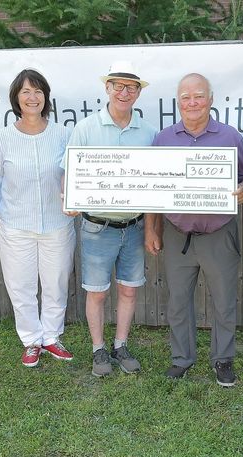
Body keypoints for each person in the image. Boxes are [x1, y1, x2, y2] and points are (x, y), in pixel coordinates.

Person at [144, 73, 243, 387]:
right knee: (178, 302)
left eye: (199, 96)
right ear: (178, 102)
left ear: (211, 99)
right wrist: (151, 229)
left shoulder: (229, 136)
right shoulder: (164, 139)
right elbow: (154, 188)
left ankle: (223, 360)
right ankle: (182, 359)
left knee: (223, 302)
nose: (193, 103)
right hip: (177, 233)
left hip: (219, 234)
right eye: (186, 97)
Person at [65, 61, 157, 377]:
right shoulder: (86, 128)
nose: (123, 91)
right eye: (117, 85)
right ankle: (98, 349)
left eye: (130, 87)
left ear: (138, 93)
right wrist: (70, 198)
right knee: (98, 292)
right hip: (96, 227)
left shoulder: (147, 132)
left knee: (129, 290)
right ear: (107, 88)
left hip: (133, 227)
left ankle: (120, 345)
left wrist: (151, 229)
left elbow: (155, 180)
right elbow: (71, 174)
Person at [0, 69, 75, 368]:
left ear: (45, 96)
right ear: (16, 98)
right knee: (20, 286)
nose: (32, 97)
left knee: (56, 283)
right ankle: (31, 340)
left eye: (37, 91)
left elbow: (73, 176)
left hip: (58, 225)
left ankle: (51, 337)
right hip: (16, 226)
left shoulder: (63, 134)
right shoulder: (2, 138)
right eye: (25, 92)